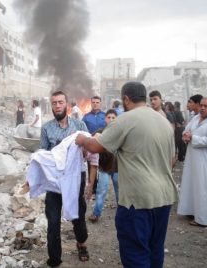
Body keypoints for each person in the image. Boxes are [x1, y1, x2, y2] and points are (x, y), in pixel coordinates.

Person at [76, 81, 177, 268]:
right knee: (155, 249)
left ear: (126, 99)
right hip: (164, 198)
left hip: (137, 202)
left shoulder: (125, 120)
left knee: (135, 253)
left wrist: (82, 139)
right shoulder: (163, 121)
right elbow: (172, 160)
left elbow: (96, 146)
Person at [39, 91, 90, 267]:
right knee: (53, 221)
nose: (57, 106)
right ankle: (54, 259)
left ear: (67, 105)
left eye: (60, 102)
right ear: (51, 106)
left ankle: (81, 243)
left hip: (76, 178)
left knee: (78, 215)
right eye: (54, 103)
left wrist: (83, 150)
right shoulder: (46, 128)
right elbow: (43, 155)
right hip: (54, 180)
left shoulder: (80, 125)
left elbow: (89, 153)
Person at [177, 97, 207, 227]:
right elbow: (187, 130)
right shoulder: (196, 118)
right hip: (192, 159)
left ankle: (202, 218)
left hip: (205, 161)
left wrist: (193, 137)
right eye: (201, 105)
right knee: (191, 185)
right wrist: (185, 136)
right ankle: (192, 211)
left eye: (206, 106)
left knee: (203, 189)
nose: (202, 108)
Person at [87, 109, 119, 223]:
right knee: (101, 191)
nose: (111, 119)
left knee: (119, 192)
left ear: (117, 119)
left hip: (118, 168)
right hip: (104, 167)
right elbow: (89, 140)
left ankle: (123, 214)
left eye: (113, 117)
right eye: (109, 117)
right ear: (105, 119)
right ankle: (96, 213)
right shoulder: (100, 131)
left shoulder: (120, 133)